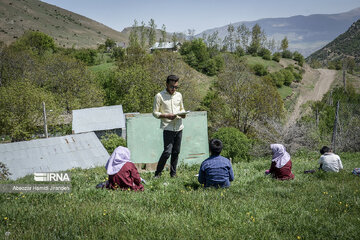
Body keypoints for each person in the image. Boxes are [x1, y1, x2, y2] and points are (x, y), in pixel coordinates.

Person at [152, 75, 186, 178]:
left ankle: (173, 174)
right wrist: (166, 115)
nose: (174, 89)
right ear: (167, 84)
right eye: (172, 86)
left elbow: (182, 108)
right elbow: (155, 113)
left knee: (176, 152)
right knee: (167, 152)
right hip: (168, 128)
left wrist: (183, 114)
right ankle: (158, 173)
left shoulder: (179, 95)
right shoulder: (159, 96)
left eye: (176, 87)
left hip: (179, 126)